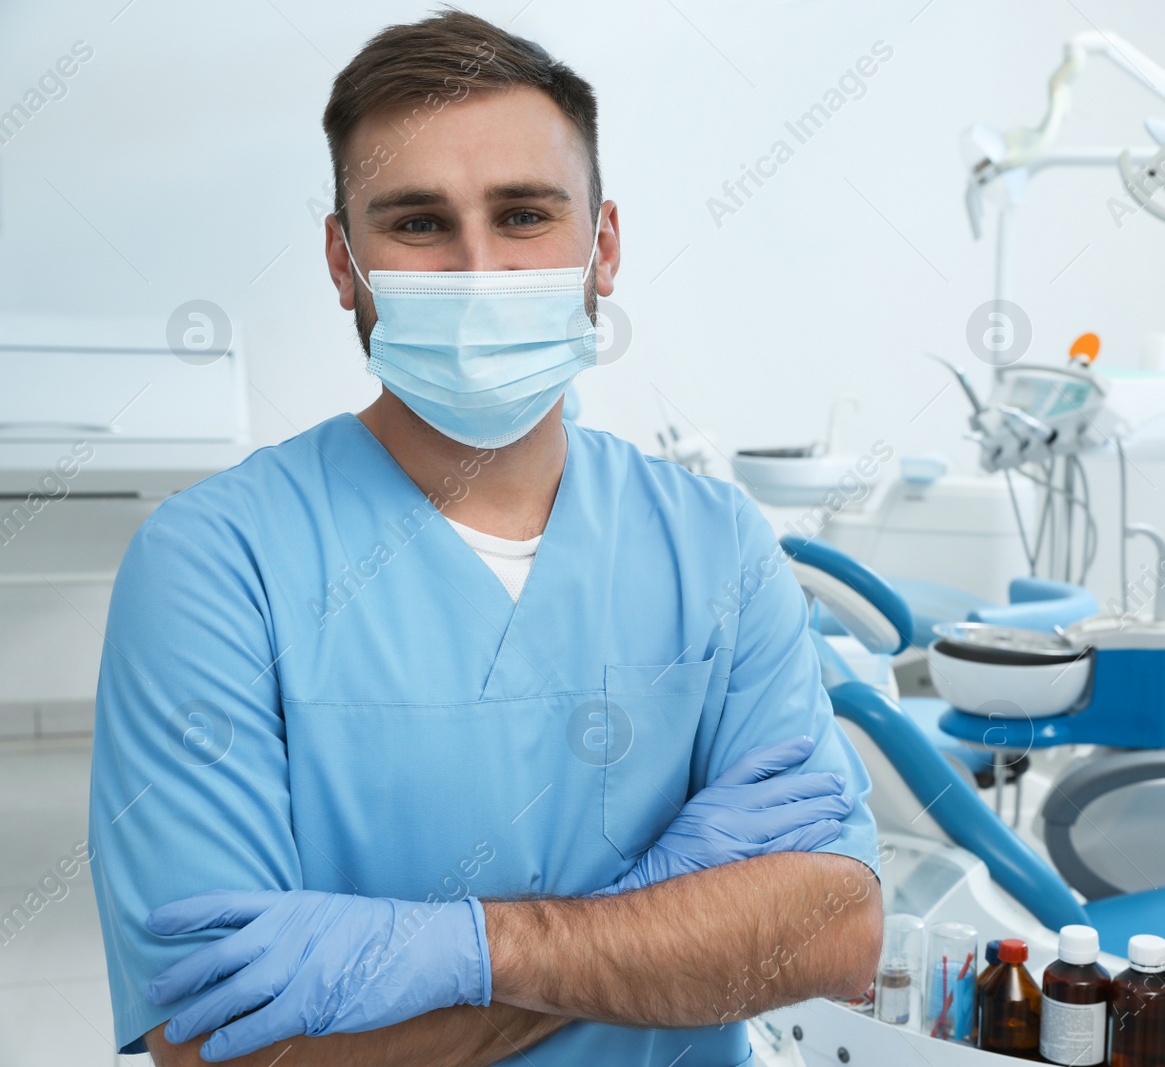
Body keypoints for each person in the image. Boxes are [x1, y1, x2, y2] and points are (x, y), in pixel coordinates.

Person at [87, 11, 883, 1066]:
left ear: (602, 249)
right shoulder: (211, 564)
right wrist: (659, 918)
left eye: (523, 215)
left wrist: (450, 951)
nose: (475, 268)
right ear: (343, 262)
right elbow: (222, 1047)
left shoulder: (714, 543)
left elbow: (834, 933)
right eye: (417, 222)